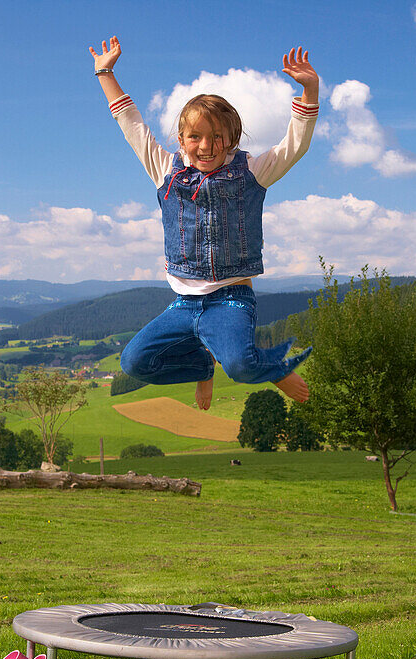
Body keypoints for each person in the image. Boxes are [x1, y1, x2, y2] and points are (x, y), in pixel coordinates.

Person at [89, 36, 319, 409]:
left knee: (243, 367)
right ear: (181, 139)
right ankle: (201, 366)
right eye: (195, 136)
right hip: (183, 304)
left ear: (231, 140)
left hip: (231, 299)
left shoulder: (252, 173)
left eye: (217, 137)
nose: (206, 146)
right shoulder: (166, 171)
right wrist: (105, 71)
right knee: (134, 362)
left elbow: (295, 144)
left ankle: (274, 368)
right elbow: (130, 124)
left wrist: (309, 91)